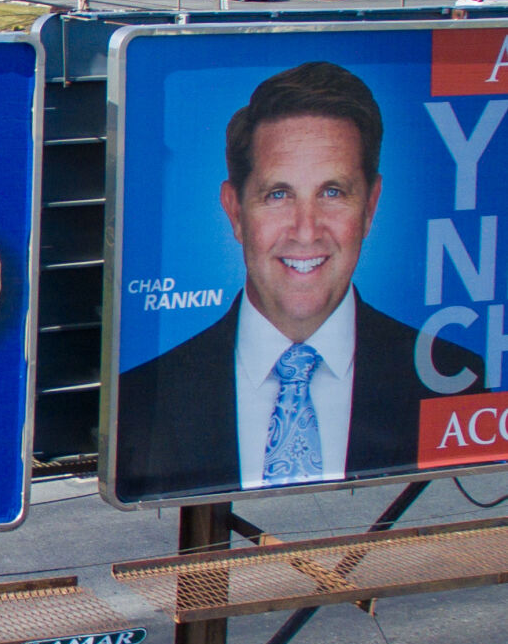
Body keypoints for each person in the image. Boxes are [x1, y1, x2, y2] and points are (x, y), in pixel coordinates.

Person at [113, 60, 483, 502]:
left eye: (332, 192)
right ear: (235, 211)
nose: (306, 231)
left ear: (370, 207)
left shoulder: (460, 378)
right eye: (278, 194)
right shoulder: (139, 398)